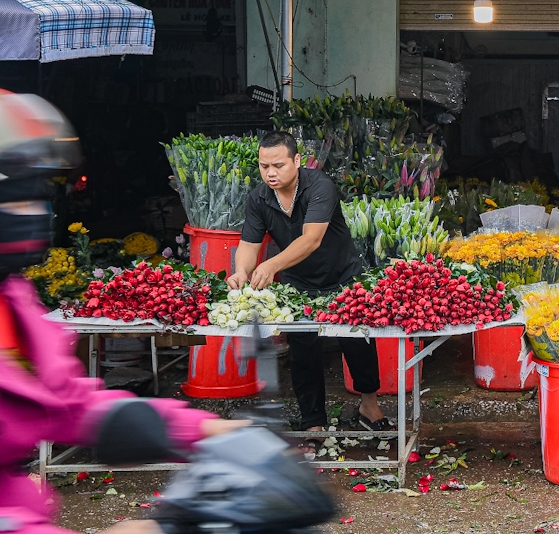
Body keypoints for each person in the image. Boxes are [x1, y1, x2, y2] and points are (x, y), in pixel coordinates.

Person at [0, 92, 243, 534]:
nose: (35, 212)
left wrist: (212, 432)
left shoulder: (12, 297)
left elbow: (69, 404)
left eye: (41, 195)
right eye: (15, 196)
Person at [231, 130, 390, 436]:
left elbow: (312, 239)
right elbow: (249, 244)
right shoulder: (259, 198)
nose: (271, 173)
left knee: (359, 345)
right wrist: (240, 271)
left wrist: (272, 264)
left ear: (298, 161)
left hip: (343, 278)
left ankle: (369, 406)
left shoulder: (320, 187)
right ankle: (313, 422)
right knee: (303, 352)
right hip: (298, 283)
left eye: (278, 165)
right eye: (264, 166)